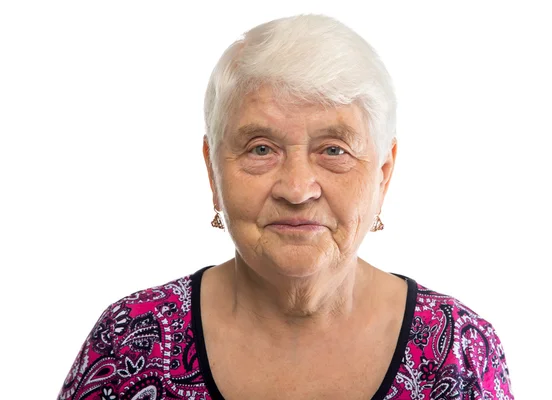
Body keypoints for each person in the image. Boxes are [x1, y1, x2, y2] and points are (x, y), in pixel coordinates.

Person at [57, 14, 513, 400]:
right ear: (213, 170)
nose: (297, 189)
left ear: (383, 174)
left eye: (334, 150)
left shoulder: (458, 350)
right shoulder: (127, 344)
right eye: (260, 149)